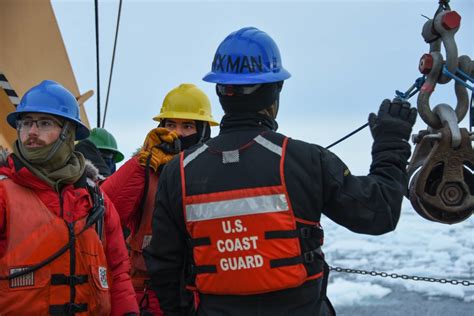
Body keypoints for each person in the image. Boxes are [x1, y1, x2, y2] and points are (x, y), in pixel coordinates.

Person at [143, 27, 418, 316]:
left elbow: (164, 266)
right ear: (275, 90)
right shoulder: (304, 160)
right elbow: (379, 211)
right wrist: (392, 142)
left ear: (221, 90)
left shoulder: (180, 173)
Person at [0, 80, 139, 315]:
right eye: (26, 123)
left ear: (68, 133)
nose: (32, 132)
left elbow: (117, 271)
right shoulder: (4, 194)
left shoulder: (96, 199)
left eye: (44, 123)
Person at [102, 83, 218, 315]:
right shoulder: (145, 170)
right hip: (150, 294)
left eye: (188, 126)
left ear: (204, 131)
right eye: (170, 124)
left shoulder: (214, 172)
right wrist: (141, 161)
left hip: (204, 292)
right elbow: (106, 209)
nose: (177, 133)